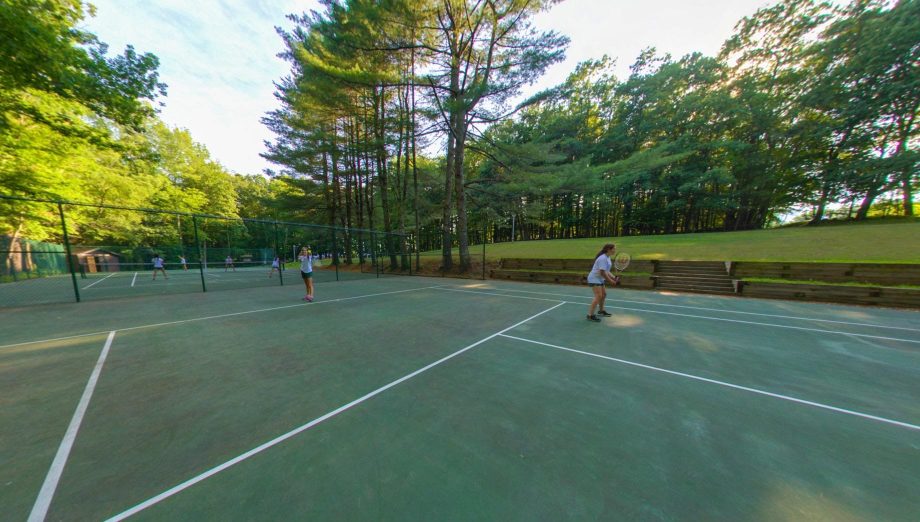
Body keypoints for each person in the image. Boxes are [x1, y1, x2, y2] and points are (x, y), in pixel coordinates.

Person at [586, 243, 618, 322]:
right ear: (608, 249)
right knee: (598, 296)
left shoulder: (608, 257)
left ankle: (601, 311)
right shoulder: (602, 258)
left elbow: (607, 271)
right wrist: (611, 281)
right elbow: (602, 273)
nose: (615, 250)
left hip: (599, 278)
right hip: (594, 278)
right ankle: (590, 315)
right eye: (614, 249)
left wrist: (614, 277)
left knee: (604, 294)